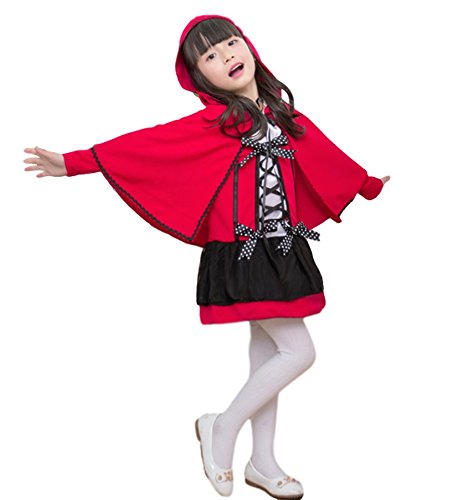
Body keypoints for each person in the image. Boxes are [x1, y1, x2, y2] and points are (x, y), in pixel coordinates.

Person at [24, 14, 390, 499]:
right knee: (298, 352)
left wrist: (365, 184)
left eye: (231, 43)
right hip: (242, 251)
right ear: (200, 78)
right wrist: (73, 163)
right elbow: (146, 146)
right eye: (210, 57)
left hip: (282, 245)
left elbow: (322, 154)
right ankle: (222, 425)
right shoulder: (217, 123)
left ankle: (262, 462)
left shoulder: (282, 116)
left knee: (268, 356)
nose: (227, 56)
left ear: (249, 46)